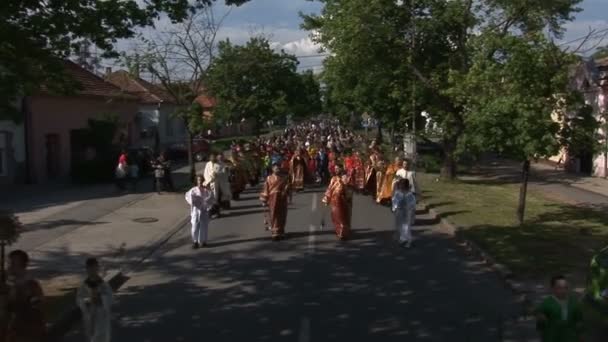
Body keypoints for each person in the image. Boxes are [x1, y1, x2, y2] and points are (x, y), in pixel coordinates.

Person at [5, 250, 46, 342]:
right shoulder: (8, 285)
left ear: (22, 265)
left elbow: (36, 310)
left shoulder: (32, 286)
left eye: (12, 264)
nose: (9, 267)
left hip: (28, 334)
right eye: (8, 263)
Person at [535, 275, 584, 342]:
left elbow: (579, 322)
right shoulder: (546, 304)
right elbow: (541, 326)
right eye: (559, 288)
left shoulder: (574, 303)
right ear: (552, 288)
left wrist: (580, 338)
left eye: (565, 287)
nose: (563, 290)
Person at [76, 258, 113, 342]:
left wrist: (101, 298)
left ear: (97, 268)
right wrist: (87, 300)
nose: (92, 270)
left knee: (102, 337)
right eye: (90, 268)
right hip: (90, 316)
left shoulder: (103, 284)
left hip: (102, 316)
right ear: (87, 269)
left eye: (94, 268)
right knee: (92, 338)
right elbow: (79, 299)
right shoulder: (84, 285)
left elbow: (110, 297)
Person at [260, 163, 291, 241]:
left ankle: (281, 231)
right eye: (275, 168)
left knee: (282, 215)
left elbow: (288, 188)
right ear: (272, 169)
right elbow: (265, 189)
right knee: (274, 215)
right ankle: (275, 233)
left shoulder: (284, 178)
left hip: (282, 198)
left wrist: (288, 193)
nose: (277, 169)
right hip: (272, 199)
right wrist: (264, 200)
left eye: (278, 168)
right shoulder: (269, 178)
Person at [322, 164, 353, 241]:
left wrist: (348, 197)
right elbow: (330, 189)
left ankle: (343, 232)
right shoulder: (333, 178)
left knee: (344, 217)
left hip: (343, 200)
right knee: (336, 217)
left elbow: (349, 188)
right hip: (334, 201)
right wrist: (326, 199)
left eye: (338, 168)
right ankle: (340, 232)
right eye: (335, 168)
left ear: (341, 169)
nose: (336, 170)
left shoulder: (345, 178)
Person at [185, 175, 215, 248]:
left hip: (204, 210)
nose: (200, 181)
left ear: (203, 181)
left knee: (204, 226)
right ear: (196, 181)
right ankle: (195, 241)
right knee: (195, 226)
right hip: (196, 210)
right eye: (198, 180)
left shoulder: (206, 190)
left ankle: (203, 241)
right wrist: (193, 200)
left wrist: (206, 201)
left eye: (201, 180)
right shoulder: (193, 190)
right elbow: (187, 196)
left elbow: (211, 198)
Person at [391, 179, 416, 248]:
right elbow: (394, 201)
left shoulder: (410, 194)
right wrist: (395, 208)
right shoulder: (398, 193)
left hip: (407, 212)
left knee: (407, 227)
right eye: (401, 185)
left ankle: (409, 241)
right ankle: (402, 238)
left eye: (403, 186)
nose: (402, 187)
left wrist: (411, 211)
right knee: (400, 226)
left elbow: (413, 204)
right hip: (400, 212)